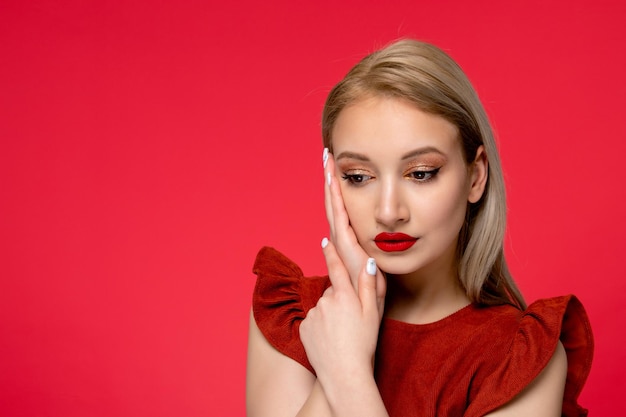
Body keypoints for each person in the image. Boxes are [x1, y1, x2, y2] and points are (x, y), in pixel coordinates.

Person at [246, 39, 593, 417]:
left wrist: (346, 373)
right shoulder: (296, 317)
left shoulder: (519, 357)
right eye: (359, 176)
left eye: (421, 173)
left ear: (475, 177)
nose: (389, 211)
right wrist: (346, 318)